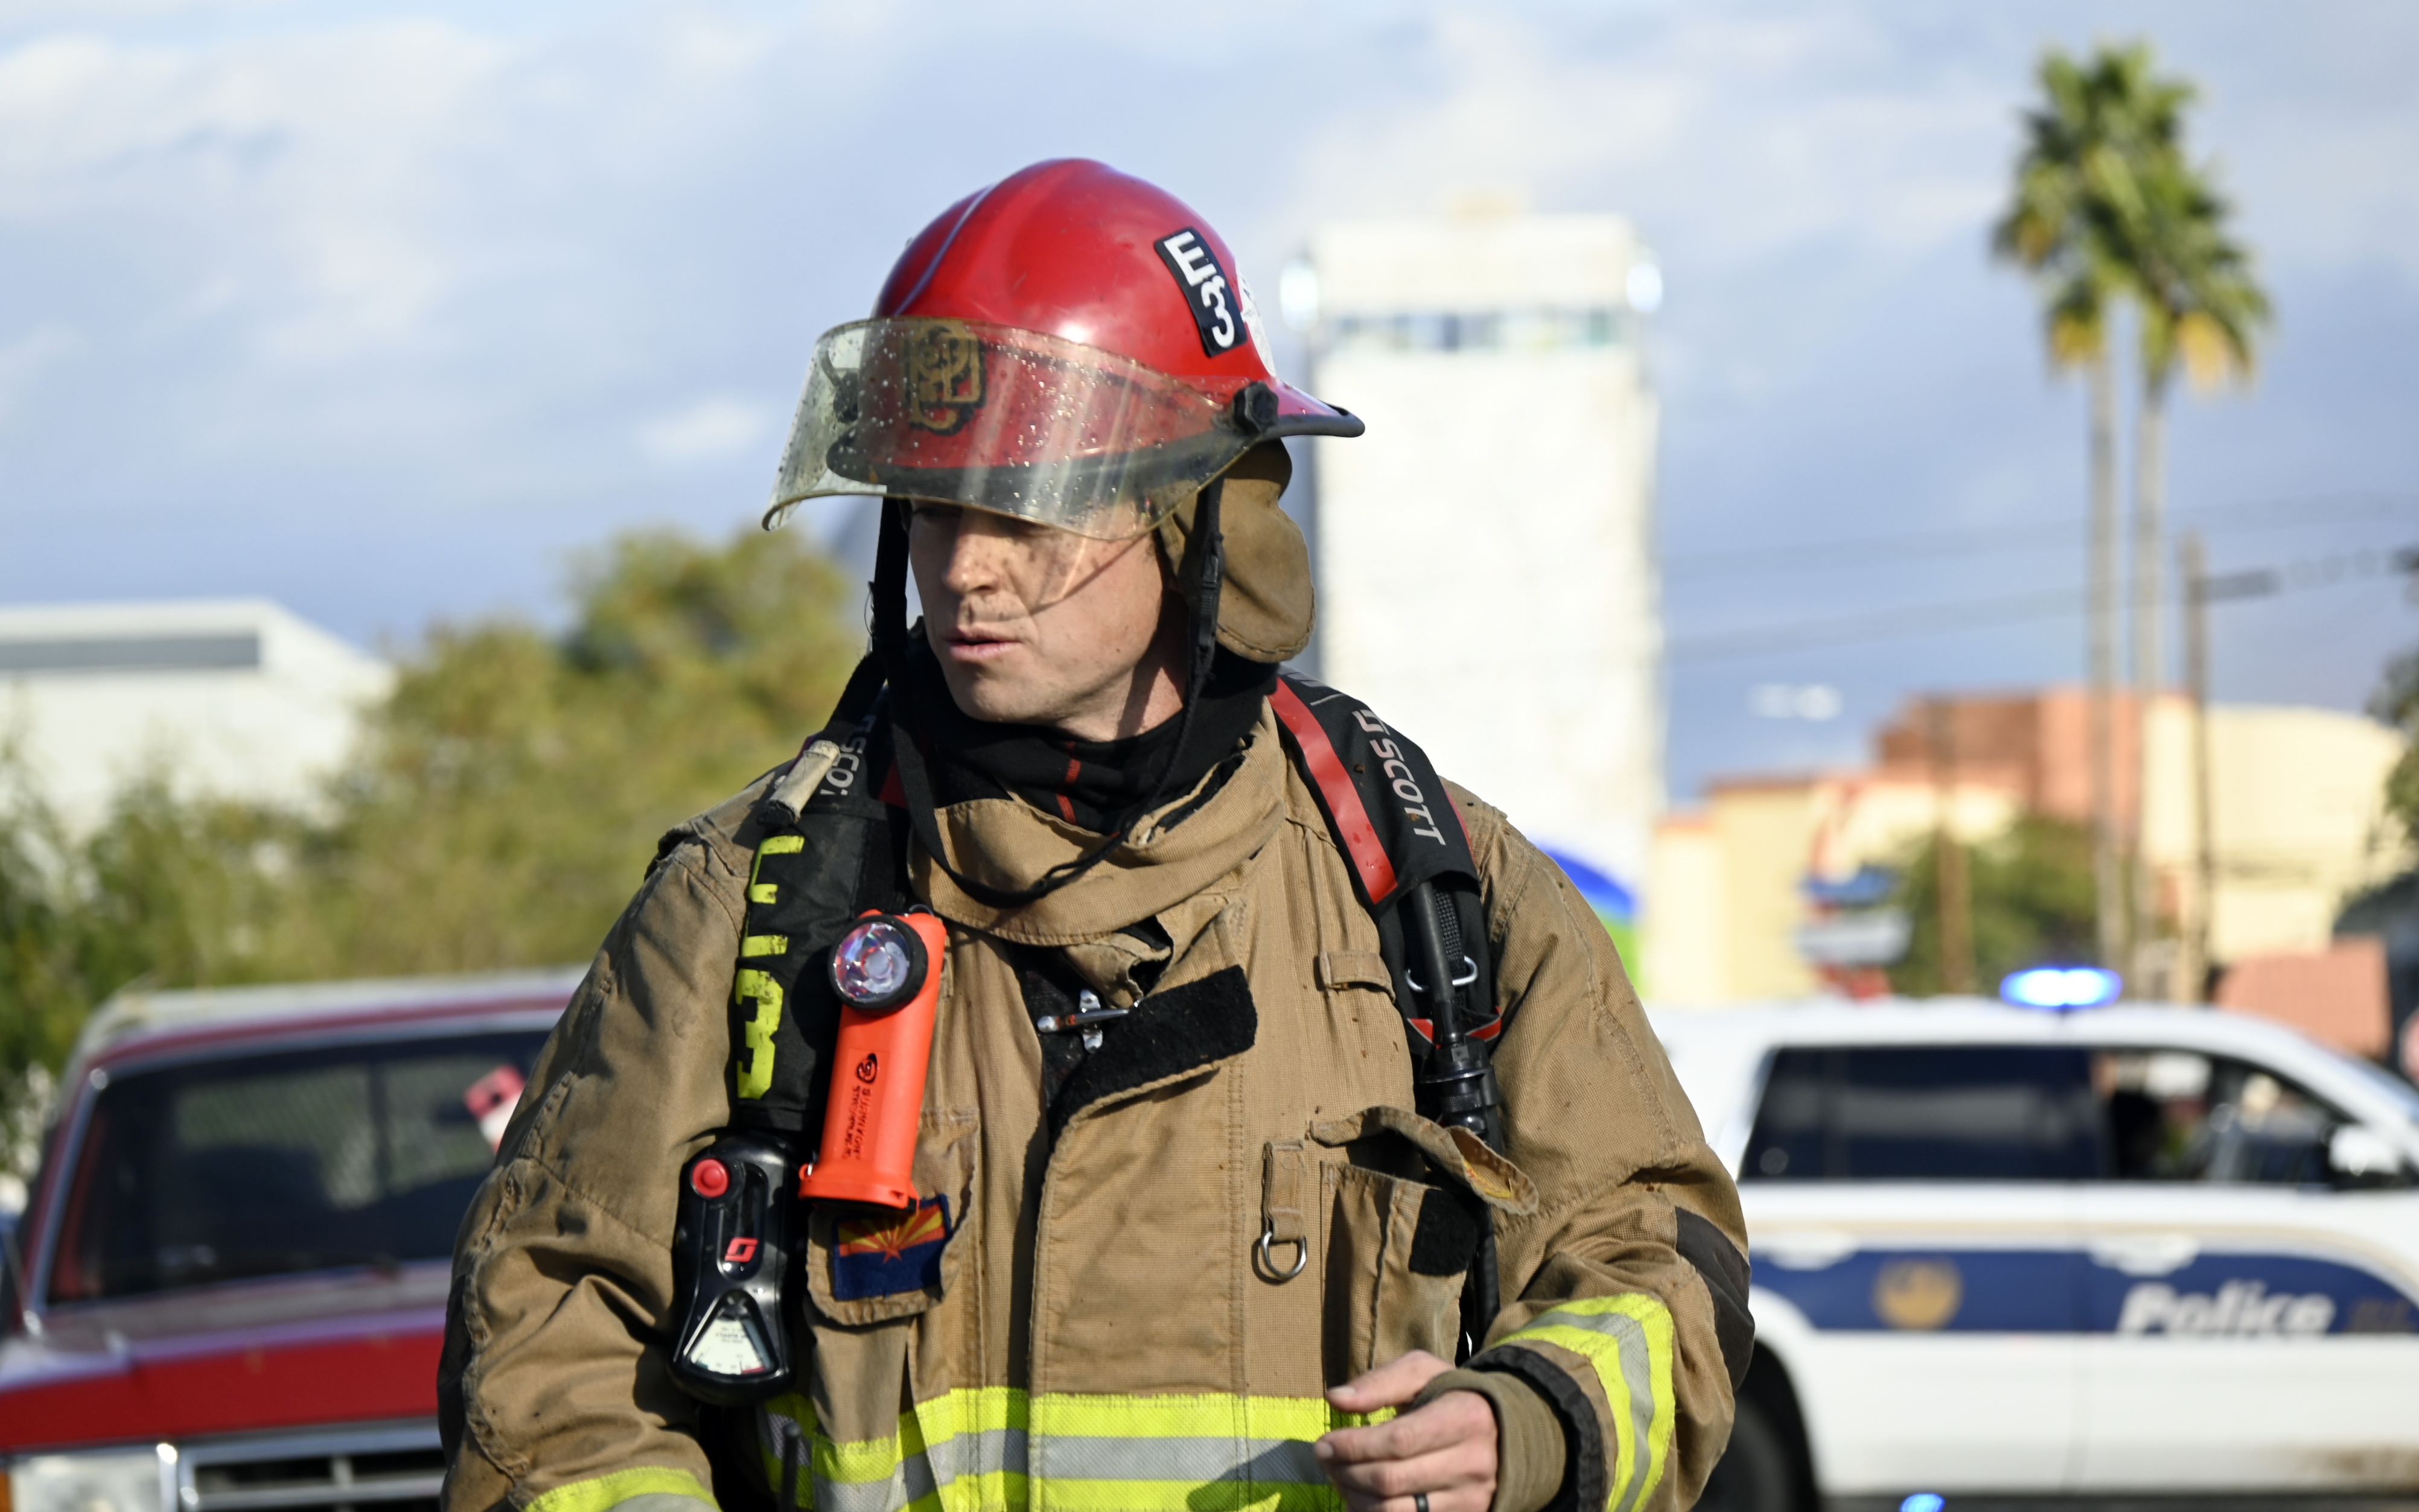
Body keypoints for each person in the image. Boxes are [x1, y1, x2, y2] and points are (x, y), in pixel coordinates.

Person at [439, 159, 1751, 1512]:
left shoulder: (1434, 888)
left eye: (1025, 508)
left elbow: (1658, 1253)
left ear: (1197, 516)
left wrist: (1526, 1421)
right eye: (934, 507)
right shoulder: (746, 906)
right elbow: (549, 1358)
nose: (964, 570)